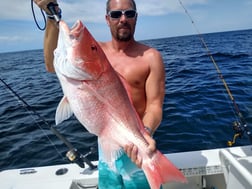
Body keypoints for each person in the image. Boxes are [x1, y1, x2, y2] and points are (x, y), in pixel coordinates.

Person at [33, 0, 165, 188]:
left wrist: (146, 134)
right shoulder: (96, 51)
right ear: (107, 19)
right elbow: (50, 64)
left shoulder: (151, 57)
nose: (123, 19)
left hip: (138, 146)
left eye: (129, 13)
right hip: (106, 150)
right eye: (115, 14)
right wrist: (51, 16)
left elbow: (154, 106)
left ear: (136, 17)